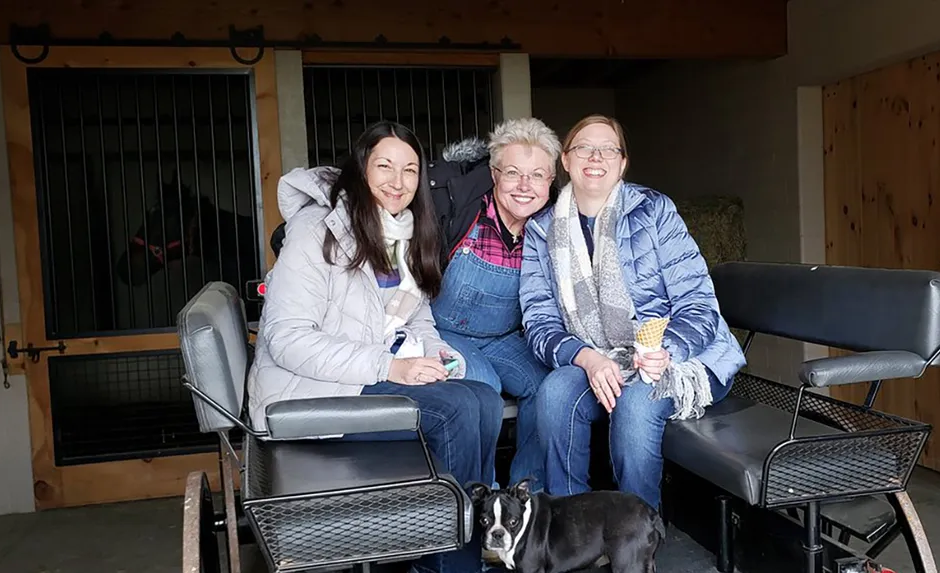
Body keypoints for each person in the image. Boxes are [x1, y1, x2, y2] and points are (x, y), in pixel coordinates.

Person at [248, 120, 502, 573]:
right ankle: (449, 564)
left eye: (409, 169)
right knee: (458, 412)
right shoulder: (315, 231)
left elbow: (416, 314)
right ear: (361, 169)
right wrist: (389, 367)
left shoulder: (403, 232)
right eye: (384, 166)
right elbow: (285, 339)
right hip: (308, 393)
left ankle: (440, 547)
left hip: (358, 379)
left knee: (482, 398)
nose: (397, 181)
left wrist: (434, 352)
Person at [518, 114, 746, 512]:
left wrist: (665, 351)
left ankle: (638, 541)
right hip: (602, 355)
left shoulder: (653, 211)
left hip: (683, 357)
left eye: (608, 149)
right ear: (566, 162)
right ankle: (573, 533)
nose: (596, 156)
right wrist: (586, 358)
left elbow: (699, 303)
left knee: (637, 402)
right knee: (554, 394)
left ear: (622, 164)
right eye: (584, 147)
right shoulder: (542, 228)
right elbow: (539, 320)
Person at [427, 117, 562, 491]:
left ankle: (525, 496)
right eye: (513, 173)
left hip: (503, 336)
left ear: (550, 182)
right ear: (493, 173)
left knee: (546, 384)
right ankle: (480, 500)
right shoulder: (459, 210)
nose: (524, 186)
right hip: (442, 330)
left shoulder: (550, 230)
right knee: (481, 388)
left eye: (537, 175)